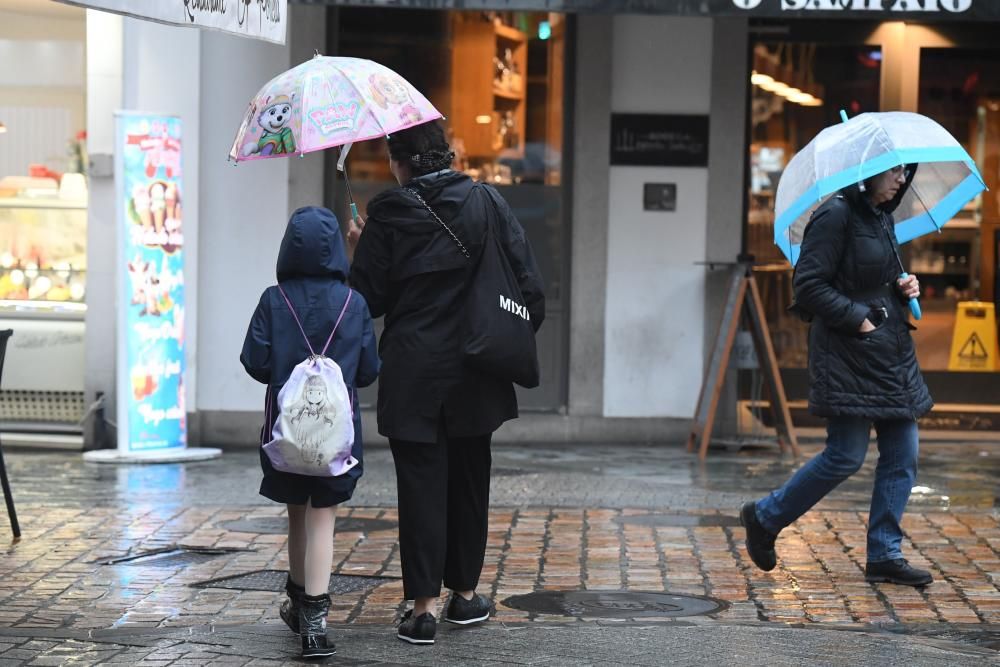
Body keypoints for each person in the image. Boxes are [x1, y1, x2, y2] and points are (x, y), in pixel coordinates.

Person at [347, 121, 545, 645]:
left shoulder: (388, 214)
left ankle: (421, 608)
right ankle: (463, 595)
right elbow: (529, 285)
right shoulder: (486, 202)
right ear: (447, 154)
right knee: (468, 480)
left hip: (415, 369)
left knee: (420, 487)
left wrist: (361, 247)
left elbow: (366, 301)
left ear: (400, 162)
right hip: (476, 368)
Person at [740, 164, 934, 587]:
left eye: (906, 171)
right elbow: (808, 286)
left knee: (904, 455)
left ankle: (885, 553)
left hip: (890, 355)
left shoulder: (880, 216)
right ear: (871, 172)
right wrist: (860, 318)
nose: (903, 180)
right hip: (849, 354)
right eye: (896, 172)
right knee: (845, 455)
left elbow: (872, 276)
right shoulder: (836, 214)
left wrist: (901, 287)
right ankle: (764, 517)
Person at [241, 206, 379, 658]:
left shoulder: (272, 299)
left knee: (296, 514)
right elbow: (368, 372)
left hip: (286, 431)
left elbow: (255, 361)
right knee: (323, 518)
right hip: (336, 437)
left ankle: (299, 603)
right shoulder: (353, 303)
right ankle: (315, 627)